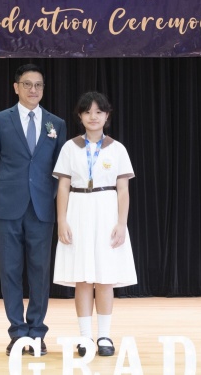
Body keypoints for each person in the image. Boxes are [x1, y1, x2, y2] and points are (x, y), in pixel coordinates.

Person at [0, 64, 66, 356]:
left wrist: (47, 196)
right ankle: (17, 332)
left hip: (41, 208)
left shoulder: (56, 123)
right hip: (7, 207)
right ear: (16, 87)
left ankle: (37, 332)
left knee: (40, 272)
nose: (34, 90)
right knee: (10, 270)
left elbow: (60, 169)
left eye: (39, 85)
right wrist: (2, 195)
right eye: (28, 84)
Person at [52, 91, 137, 357]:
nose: (93, 116)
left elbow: (123, 190)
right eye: (87, 112)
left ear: (107, 116)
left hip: (106, 213)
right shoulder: (69, 147)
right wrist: (62, 220)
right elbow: (63, 187)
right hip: (78, 211)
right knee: (83, 278)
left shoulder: (118, 149)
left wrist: (121, 223)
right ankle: (85, 336)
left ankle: (104, 336)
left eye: (99, 112)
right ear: (80, 116)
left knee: (105, 278)